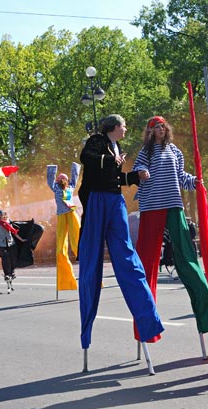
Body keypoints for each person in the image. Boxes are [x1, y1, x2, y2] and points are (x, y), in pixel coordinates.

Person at [78, 114, 164, 351]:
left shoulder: (118, 146)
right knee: (91, 264)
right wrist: (111, 159)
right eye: (124, 125)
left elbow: (116, 178)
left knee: (128, 259)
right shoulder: (97, 140)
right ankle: (86, 334)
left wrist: (136, 176)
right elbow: (87, 158)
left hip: (115, 200)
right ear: (115, 127)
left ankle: (149, 322)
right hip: (97, 200)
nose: (126, 129)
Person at [132, 116, 208, 335]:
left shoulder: (174, 150)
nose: (159, 129)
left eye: (161, 126)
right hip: (151, 206)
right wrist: (141, 172)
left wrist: (195, 182)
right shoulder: (146, 151)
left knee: (186, 255)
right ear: (150, 132)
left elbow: (181, 176)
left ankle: (207, 318)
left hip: (173, 203)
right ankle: (145, 325)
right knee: (147, 258)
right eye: (155, 127)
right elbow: (138, 167)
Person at [47, 162, 81, 291]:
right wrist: (52, 168)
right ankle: (67, 283)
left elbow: (75, 177)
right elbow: (49, 180)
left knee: (77, 243)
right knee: (60, 249)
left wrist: (75, 166)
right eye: (60, 178)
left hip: (72, 214)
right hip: (61, 215)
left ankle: (90, 275)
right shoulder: (55, 187)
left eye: (64, 178)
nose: (62, 180)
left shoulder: (71, 186)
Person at [0, 210, 25, 282]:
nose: (0, 216)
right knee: (5, 259)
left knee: (13, 258)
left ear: (4, 215)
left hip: (11, 243)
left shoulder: (9, 223)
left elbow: (14, 232)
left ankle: (12, 272)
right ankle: (6, 274)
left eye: (2, 215)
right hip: (2, 244)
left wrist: (21, 240)